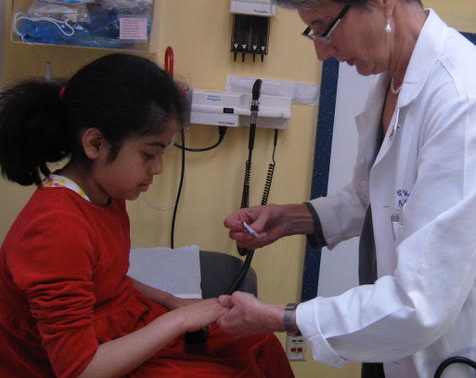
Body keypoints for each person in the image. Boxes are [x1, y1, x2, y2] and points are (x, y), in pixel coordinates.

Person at [216, 0, 476, 378]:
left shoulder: (465, 101)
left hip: (444, 356)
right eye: (312, 32)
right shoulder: (391, 82)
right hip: (386, 344)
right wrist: (293, 218)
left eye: (325, 28)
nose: (322, 51)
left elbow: (422, 301)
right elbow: (375, 200)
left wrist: (282, 318)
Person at [0, 53, 294, 378]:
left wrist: (171, 301)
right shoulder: (54, 227)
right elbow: (80, 368)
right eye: (149, 154)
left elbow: (106, 277)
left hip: (121, 326)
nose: (157, 169)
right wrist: (179, 320)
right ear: (95, 143)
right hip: (85, 360)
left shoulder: (105, 195)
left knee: (257, 341)